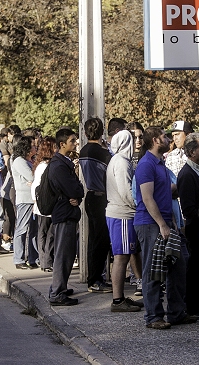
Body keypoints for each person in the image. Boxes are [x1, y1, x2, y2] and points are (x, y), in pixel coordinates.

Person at [134, 126, 193, 329]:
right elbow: (147, 197)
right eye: (164, 136)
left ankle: (176, 312)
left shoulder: (160, 163)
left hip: (166, 222)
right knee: (153, 269)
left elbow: (165, 194)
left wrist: (172, 223)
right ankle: (153, 317)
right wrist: (161, 224)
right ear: (156, 141)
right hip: (150, 224)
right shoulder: (146, 165)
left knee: (178, 266)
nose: (168, 139)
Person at [106, 130, 143, 312]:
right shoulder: (121, 162)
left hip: (122, 213)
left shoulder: (119, 160)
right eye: (133, 139)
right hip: (122, 214)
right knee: (121, 257)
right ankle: (118, 299)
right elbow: (125, 190)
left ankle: (119, 297)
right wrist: (138, 205)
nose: (136, 142)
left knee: (125, 255)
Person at [48, 128, 85, 306]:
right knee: (63, 255)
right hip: (63, 214)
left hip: (67, 213)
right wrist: (77, 193)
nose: (75, 143)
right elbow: (75, 189)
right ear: (62, 144)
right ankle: (57, 293)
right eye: (72, 141)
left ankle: (60, 287)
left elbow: (77, 190)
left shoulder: (64, 163)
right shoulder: (58, 166)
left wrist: (77, 195)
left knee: (67, 254)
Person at [177, 132, 199, 317]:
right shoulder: (187, 174)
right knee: (196, 268)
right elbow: (189, 208)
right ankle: (194, 306)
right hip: (196, 229)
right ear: (191, 152)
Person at [79, 117, 113, 293]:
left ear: (85, 133)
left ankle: (93, 277)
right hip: (102, 198)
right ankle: (96, 279)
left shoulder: (83, 150)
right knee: (101, 241)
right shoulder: (103, 153)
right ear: (102, 132)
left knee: (93, 239)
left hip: (90, 195)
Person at [11, 136, 39, 269]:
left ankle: (33, 258)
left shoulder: (31, 161)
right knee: (22, 229)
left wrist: (34, 182)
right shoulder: (19, 161)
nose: (35, 147)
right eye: (32, 145)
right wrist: (34, 181)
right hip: (25, 200)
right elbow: (32, 177)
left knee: (33, 230)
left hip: (33, 199)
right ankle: (18, 258)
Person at [31, 136, 57, 272]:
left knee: (50, 233)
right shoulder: (43, 166)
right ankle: (45, 261)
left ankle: (47, 259)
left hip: (49, 204)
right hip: (44, 204)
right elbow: (36, 186)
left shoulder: (49, 164)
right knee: (45, 233)